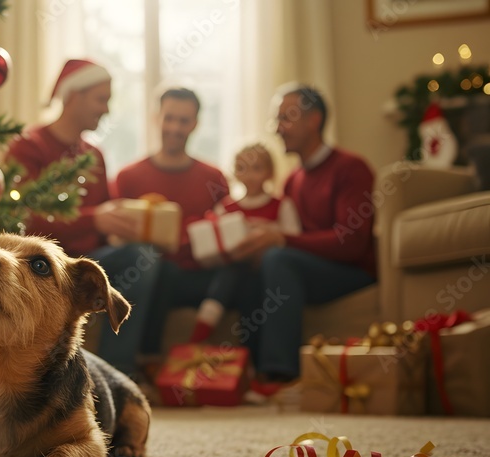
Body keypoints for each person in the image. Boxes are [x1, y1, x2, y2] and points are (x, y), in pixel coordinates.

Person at [5, 59, 158, 377]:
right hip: (40, 263)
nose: (106, 110)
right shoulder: (27, 147)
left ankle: (120, 370)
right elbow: (21, 218)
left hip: (88, 261)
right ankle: (119, 369)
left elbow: (106, 213)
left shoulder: (95, 155)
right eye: (101, 99)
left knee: (145, 257)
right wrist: (95, 220)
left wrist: (126, 224)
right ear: (73, 96)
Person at [231, 84, 376, 392]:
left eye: (286, 118)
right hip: (304, 269)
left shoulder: (351, 168)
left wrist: (280, 239)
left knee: (278, 257)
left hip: (351, 271)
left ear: (313, 120)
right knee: (253, 263)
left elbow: (351, 243)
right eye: (276, 119)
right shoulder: (293, 180)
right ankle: (246, 372)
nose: (277, 128)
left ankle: (280, 374)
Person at [113, 87, 229, 358]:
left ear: (196, 124)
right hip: (154, 276)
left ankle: (252, 371)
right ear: (157, 119)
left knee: (240, 274)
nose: (175, 128)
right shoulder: (128, 177)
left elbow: (225, 231)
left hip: (201, 277)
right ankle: (148, 358)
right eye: (170, 118)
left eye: (184, 120)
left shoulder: (214, 178)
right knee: (163, 270)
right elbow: (115, 241)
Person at [189, 143, 301, 343]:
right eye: (242, 168)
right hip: (235, 270)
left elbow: (293, 240)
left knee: (245, 281)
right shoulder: (225, 207)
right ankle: (210, 331)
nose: (249, 174)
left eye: (257, 168)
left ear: (269, 172)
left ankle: (205, 326)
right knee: (236, 276)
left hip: (265, 272)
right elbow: (214, 240)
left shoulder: (282, 205)